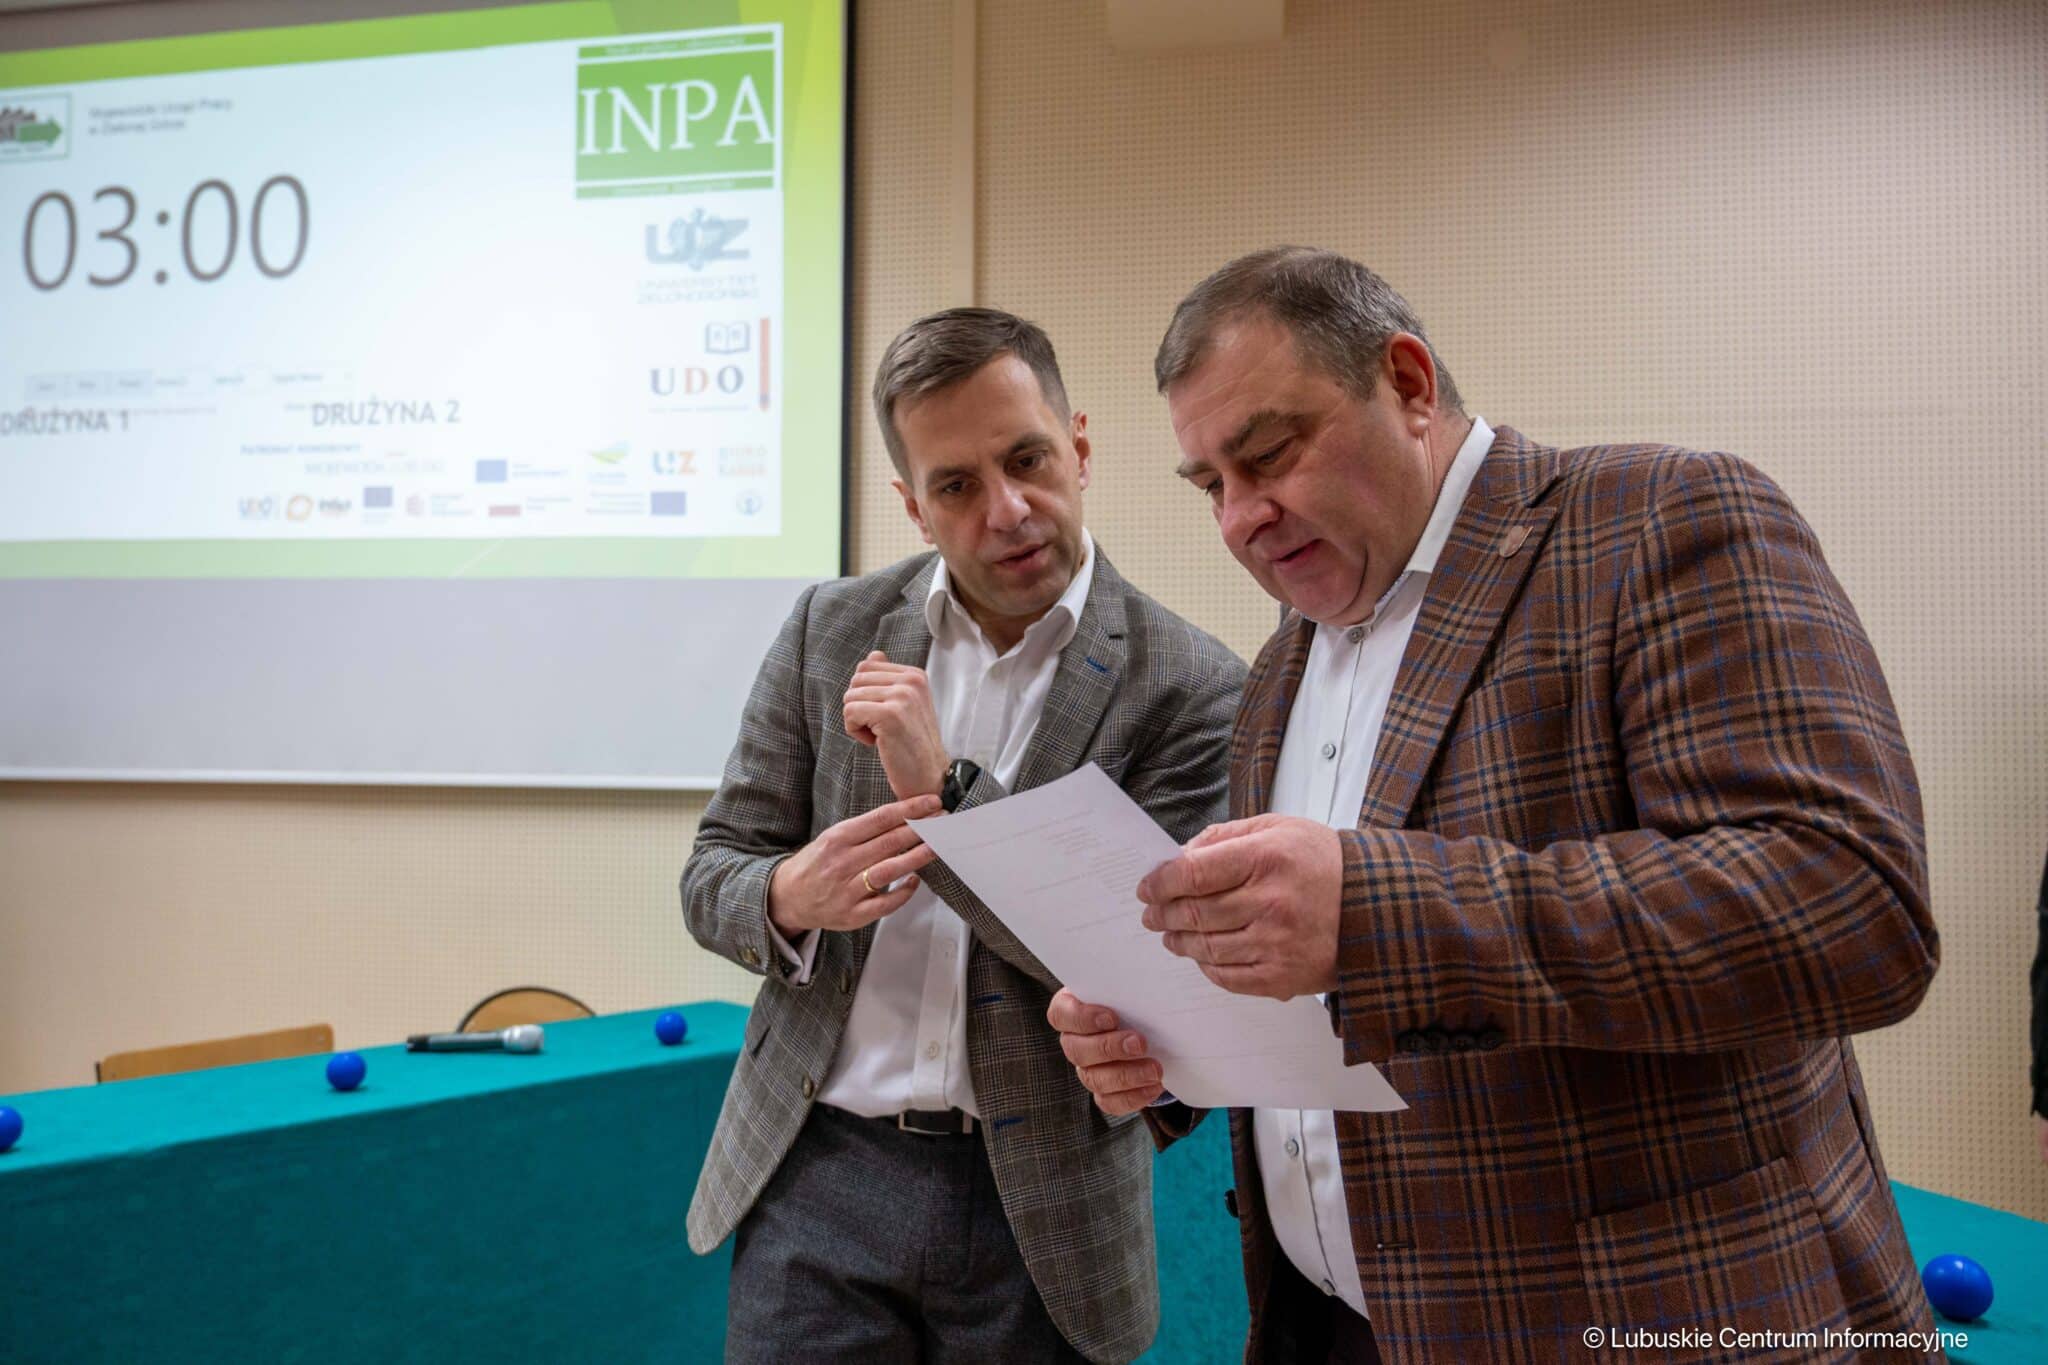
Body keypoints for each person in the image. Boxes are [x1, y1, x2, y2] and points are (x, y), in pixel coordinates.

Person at [1049, 248, 1941, 1361]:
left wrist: (1374, 912)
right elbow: (1327, 993)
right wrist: (1170, 1043)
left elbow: (1850, 906)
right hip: (1329, 1322)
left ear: (1408, 384)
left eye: (1268, 455)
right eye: (1210, 487)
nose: (1240, 519)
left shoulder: (1658, 519)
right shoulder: (1282, 666)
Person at [682, 307, 1246, 1363]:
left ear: (1078, 447)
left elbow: (1142, 970)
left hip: (1043, 1204)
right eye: (956, 486)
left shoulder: (1191, 685)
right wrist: (789, 895)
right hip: (816, 1171)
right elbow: (712, 872)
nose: (1007, 510)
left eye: (1027, 459)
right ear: (914, 507)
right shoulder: (828, 629)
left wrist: (947, 796)